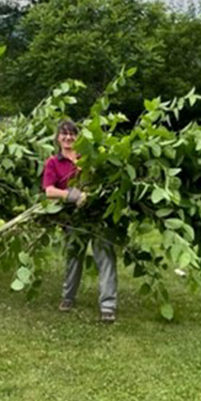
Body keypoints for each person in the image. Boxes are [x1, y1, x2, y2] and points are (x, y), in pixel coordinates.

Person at [43, 120, 118, 323]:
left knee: (105, 257)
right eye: (64, 134)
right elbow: (49, 191)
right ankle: (68, 297)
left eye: (72, 134)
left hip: (98, 216)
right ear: (58, 138)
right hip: (72, 218)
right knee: (73, 258)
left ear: (78, 137)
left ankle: (108, 306)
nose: (68, 138)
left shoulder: (88, 157)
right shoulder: (53, 162)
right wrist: (71, 196)